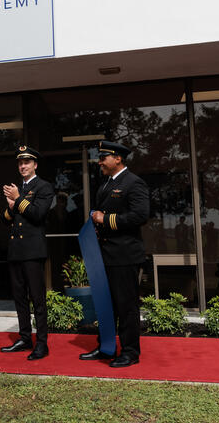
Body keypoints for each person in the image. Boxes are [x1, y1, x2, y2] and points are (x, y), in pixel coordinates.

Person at [79, 141, 149, 368]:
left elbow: (140, 215)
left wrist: (105, 219)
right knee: (106, 305)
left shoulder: (133, 182)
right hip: (105, 256)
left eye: (103, 157)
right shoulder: (106, 185)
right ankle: (106, 347)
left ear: (117, 158)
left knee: (126, 306)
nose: (99, 162)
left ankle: (130, 352)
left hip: (125, 255)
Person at [1, 146, 54, 360]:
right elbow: (5, 220)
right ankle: (25, 338)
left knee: (37, 299)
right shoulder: (17, 189)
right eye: (20, 163)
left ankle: (42, 343)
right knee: (19, 298)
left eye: (27, 162)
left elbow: (38, 215)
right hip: (16, 250)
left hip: (33, 251)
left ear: (35, 165)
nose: (23, 166)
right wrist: (10, 206)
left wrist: (18, 200)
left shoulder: (43, 186)